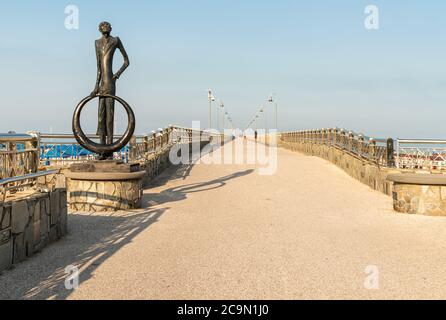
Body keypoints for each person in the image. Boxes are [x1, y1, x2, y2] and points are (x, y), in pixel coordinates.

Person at [91, 21, 130, 148]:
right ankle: (102, 148)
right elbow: (98, 67)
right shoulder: (97, 43)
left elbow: (126, 61)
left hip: (111, 83)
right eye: (103, 26)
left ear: (111, 28)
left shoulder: (116, 41)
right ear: (99, 29)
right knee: (101, 117)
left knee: (110, 117)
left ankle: (110, 149)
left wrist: (117, 75)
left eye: (107, 25)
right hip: (102, 84)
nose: (105, 27)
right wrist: (96, 85)